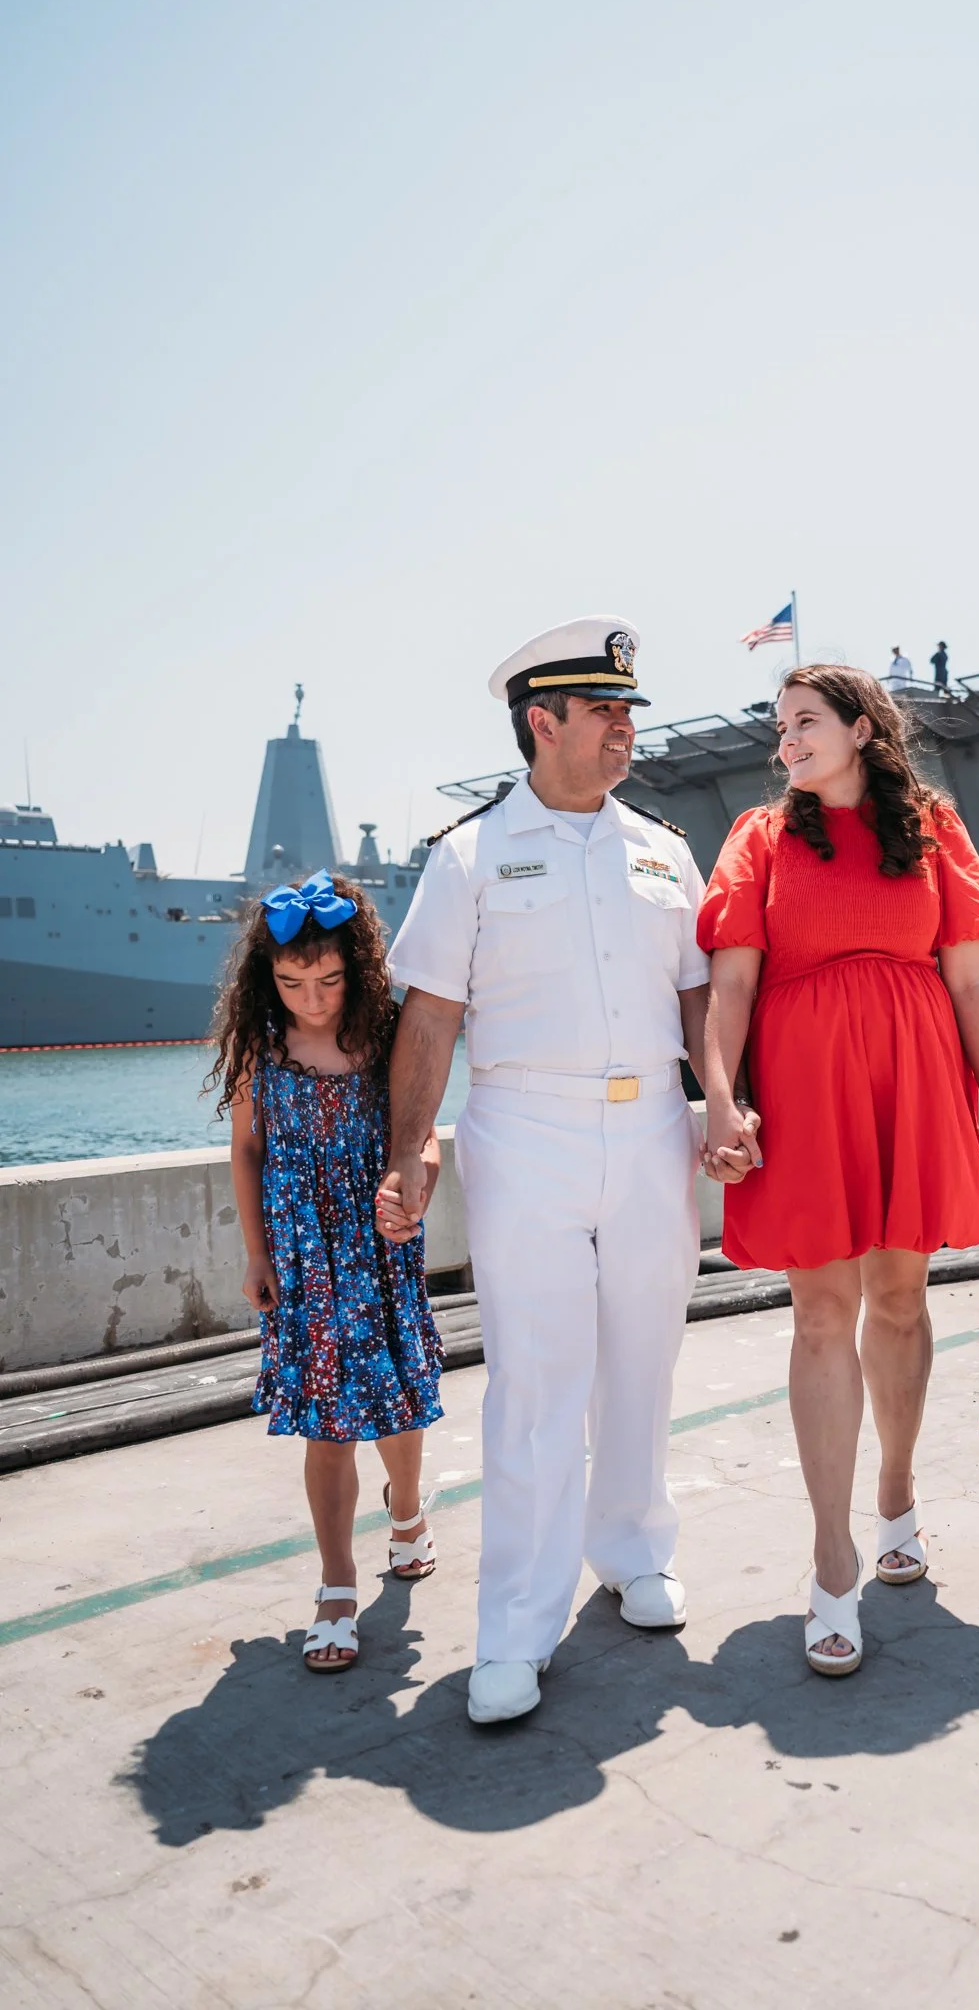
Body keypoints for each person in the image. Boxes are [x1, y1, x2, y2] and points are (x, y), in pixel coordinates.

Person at [381, 617, 753, 1727]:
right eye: (605, 711)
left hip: (650, 1133)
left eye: (629, 710)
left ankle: (634, 1551)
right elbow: (433, 1014)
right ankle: (517, 1625)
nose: (626, 729)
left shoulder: (661, 848)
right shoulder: (470, 855)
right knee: (537, 1385)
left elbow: (699, 998)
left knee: (644, 1360)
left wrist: (719, 1100)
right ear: (542, 722)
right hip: (524, 1132)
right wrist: (408, 1148)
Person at [699, 664, 979, 1677]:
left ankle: (895, 1490)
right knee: (818, 1312)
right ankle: (831, 1554)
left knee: (899, 1298)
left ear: (859, 728)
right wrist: (719, 1096)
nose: (785, 739)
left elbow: (971, 977)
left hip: (915, 1079)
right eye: (778, 725)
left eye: (804, 721)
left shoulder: (932, 826)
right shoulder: (759, 837)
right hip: (805, 1088)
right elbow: (731, 985)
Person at [213, 871, 445, 1674]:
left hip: (378, 1245)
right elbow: (246, 1149)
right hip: (303, 1253)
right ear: (265, 980)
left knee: (395, 1401)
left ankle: (408, 1513)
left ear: (358, 968)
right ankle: (337, 1584)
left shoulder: (387, 1034)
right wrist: (256, 1251)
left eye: (328, 981)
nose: (310, 1000)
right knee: (325, 1420)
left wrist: (414, 1191)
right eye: (290, 983)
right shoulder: (259, 1045)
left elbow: (424, 1136)